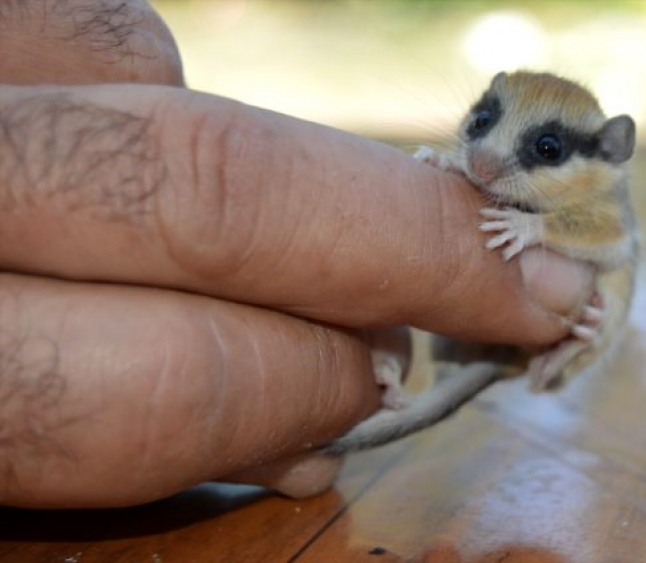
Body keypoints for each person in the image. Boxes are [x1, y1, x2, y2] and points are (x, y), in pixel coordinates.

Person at [0, 0, 591, 508]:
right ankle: (389, 371)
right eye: (482, 124)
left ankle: (392, 371)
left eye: (538, 148)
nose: (485, 160)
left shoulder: (587, 208)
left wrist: (545, 240)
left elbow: (598, 240)